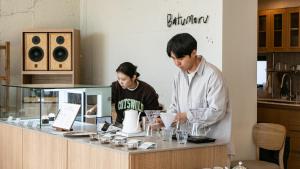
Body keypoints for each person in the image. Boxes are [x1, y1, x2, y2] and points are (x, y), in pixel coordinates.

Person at [165, 33, 232, 143]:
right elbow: (174, 106)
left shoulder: (213, 75)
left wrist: (188, 116)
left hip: (212, 142)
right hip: (186, 140)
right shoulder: (178, 76)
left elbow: (217, 111)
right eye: (173, 58)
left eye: (180, 58)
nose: (176, 63)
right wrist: (167, 120)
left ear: (194, 53)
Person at [87, 62, 160, 125]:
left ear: (133, 77)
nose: (120, 82)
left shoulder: (147, 91)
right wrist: (93, 110)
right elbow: (105, 100)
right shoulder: (115, 86)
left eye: (124, 79)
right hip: (119, 126)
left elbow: (153, 117)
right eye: (118, 78)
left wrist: (140, 125)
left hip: (139, 128)